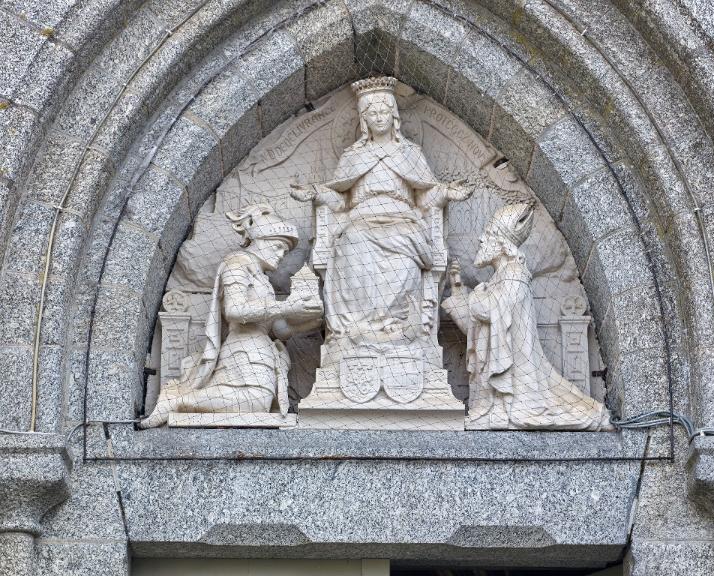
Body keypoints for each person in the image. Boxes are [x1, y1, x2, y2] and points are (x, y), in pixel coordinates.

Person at [290, 76, 470, 345]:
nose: (379, 118)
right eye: (372, 113)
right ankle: (357, 329)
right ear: (364, 119)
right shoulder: (353, 155)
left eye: (384, 111)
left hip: (403, 221)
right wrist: (316, 193)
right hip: (361, 220)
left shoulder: (409, 152)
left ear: (394, 115)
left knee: (406, 252)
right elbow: (340, 201)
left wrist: (446, 192)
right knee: (352, 240)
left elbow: (424, 199)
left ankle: (398, 325)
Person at [139, 203, 323, 429]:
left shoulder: (263, 279)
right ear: (259, 240)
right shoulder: (236, 264)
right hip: (243, 347)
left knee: (258, 404)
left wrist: (307, 322)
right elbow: (235, 310)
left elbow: (278, 329)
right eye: (277, 247)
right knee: (254, 403)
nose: (280, 255)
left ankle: (181, 401)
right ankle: (177, 400)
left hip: (262, 349)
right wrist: (286, 307)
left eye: (284, 251)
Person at [441, 201, 614, 431]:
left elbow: (490, 311)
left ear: (502, 245)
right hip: (497, 394)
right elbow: (484, 323)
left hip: (519, 388)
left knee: (544, 411)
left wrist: (472, 298)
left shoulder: (515, 275)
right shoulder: (498, 279)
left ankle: (508, 411)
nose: (481, 239)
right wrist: (459, 295)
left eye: (488, 234)